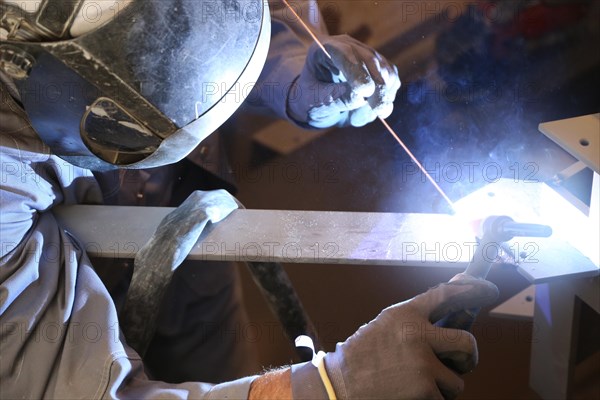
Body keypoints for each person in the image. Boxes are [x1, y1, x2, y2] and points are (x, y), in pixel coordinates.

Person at [0, 0, 498, 398]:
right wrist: (331, 385)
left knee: (219, 358)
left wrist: (286, 69)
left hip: (187, 213)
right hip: (40, 278)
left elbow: (227, 17)